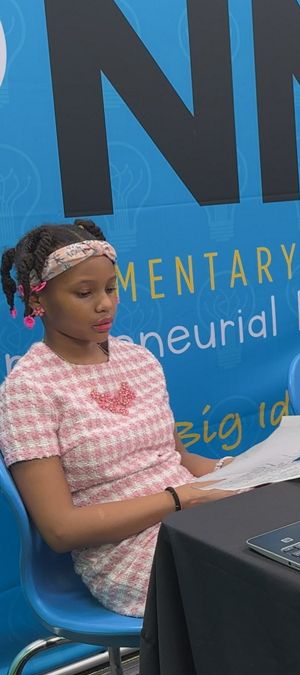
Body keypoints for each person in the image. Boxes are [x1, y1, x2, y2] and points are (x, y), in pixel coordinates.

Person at [0, 221, 236, 617]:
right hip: (126, 554)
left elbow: (177, 460)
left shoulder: (139, 359)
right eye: (84, 292)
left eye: (111, 288)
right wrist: (180, 499)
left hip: (191, 516)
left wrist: (241, 472)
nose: (105, 304)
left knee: (282, 536)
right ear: (37, 300)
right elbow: (61, 530)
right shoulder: (28, 390)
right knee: (256, 575)